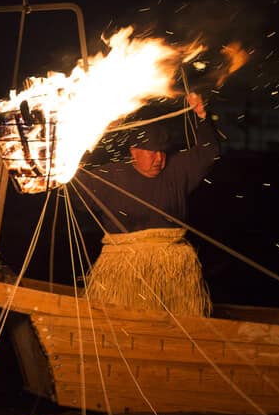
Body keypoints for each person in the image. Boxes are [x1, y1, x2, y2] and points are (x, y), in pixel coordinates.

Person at [73, 92, 219, 317]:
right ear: (134, 152)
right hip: (123, 268)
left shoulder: (177, 170)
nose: (158, 159)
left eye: (162, 152)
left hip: (172, 268)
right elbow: (73, 184)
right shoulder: (109, 176)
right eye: (151, 152)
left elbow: (208, 153)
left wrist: (201, 116)